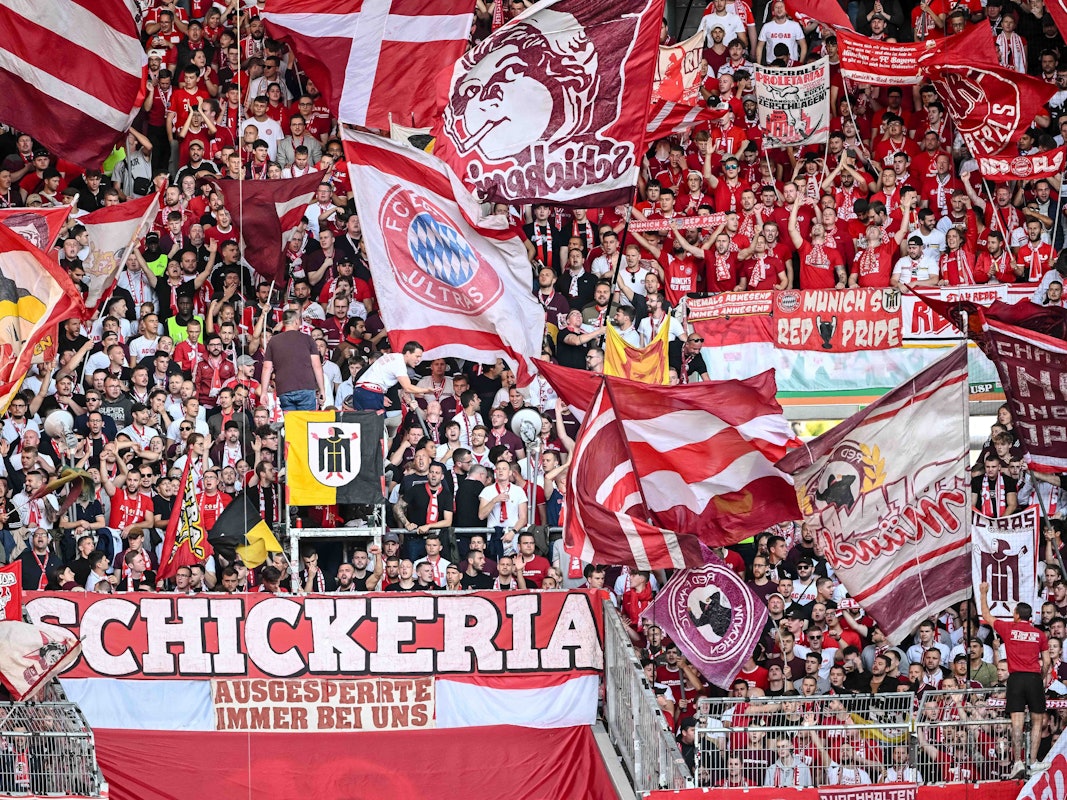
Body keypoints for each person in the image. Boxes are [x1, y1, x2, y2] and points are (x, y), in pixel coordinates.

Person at [980, 583, 1051, 778]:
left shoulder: (1009, 628)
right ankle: (1034, 761)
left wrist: (984, 592)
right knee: (1037, 721)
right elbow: (1046, 661)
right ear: (1031, 617)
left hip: (1016, 679)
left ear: (1017, 615)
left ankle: (1018, 762)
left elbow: (986, 616)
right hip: (1034, 678)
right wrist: (1041, 677)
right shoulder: (1039, 634)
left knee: (1017, 723)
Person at [260, 310, 324, 411]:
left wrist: (263, 392)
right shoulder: (308, 339)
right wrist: (322, 390)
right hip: (306, 387)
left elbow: (267, 368)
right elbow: (317, 366)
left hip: (284, 388)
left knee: (291, 424)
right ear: (296, 322)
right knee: (305, 423)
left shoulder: (274, 341)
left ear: (284, 323)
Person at [349, 342, 432, 410]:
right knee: (375, 426)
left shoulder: (391, 356)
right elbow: (408, 387)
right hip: (370, 393)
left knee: (362, 425)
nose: (418, 360)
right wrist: (427, 390)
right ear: (407, 353)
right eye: (417, 356)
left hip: (360, 390)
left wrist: (380, 395)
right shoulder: (399, 363)